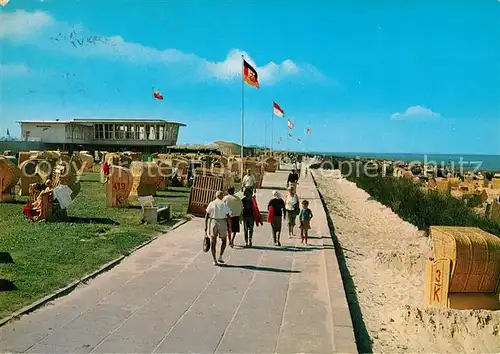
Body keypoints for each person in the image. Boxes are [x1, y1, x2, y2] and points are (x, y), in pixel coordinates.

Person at [205, 191, 232, 266]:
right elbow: (228, 216)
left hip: (213, 221)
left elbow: (206, 215)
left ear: (215, 196)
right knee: (224, 241)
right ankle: (220, 256)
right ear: (222, 196)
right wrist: (230, 227)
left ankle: (214, 260)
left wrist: (206, 226)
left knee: (213, 241)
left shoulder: (211, 203)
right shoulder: (223, 204)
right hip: (222, 222)